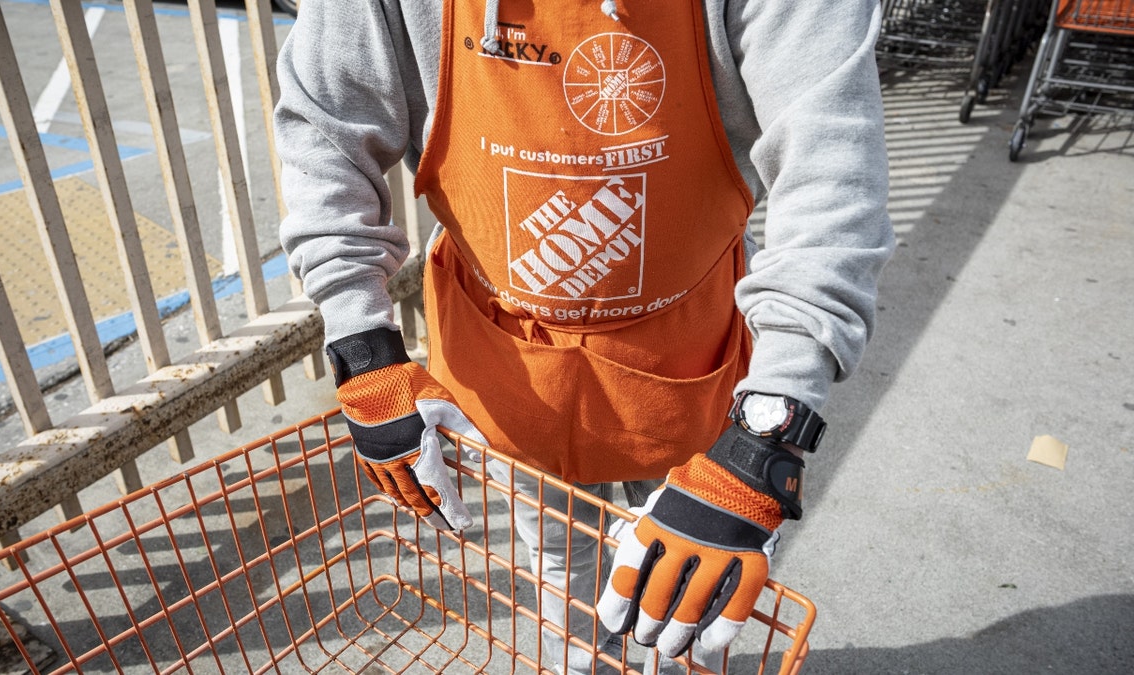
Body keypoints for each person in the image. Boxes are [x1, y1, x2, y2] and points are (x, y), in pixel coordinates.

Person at [275, 1, 893, 672]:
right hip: (507, 364)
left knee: (681, 600)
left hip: (686, 361)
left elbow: (831, 175)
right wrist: (360, 343)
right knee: (559, 574)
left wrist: (764, 440)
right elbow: (325, 127)